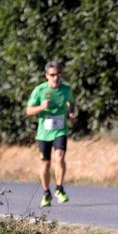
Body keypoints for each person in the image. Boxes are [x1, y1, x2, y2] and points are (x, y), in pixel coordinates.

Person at [25, 60, 77, 208]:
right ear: (46, 75)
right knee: (46, 163)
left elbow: (71, 102)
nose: (56, 77)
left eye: (58, 74)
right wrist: (41, 107)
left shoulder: (66, 89)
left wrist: (71, 112)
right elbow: (28, 110)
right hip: (43, 133)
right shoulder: (39, 90)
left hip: (60, 129)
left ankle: (59, 188)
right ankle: (46, 192)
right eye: (53, 75)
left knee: (60, 157)